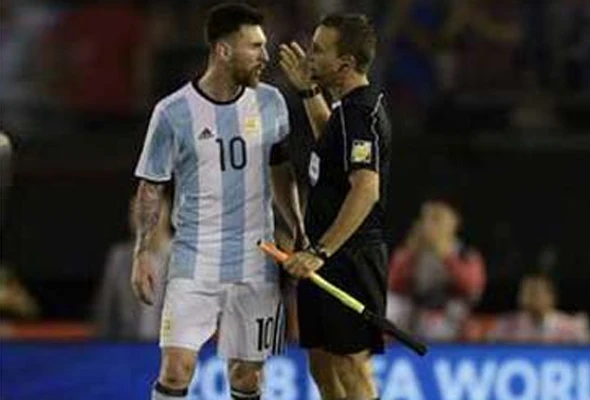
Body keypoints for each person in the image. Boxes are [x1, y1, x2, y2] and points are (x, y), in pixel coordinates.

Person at [130, 4, 305, 400]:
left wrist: (297, 228)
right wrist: (142, 252)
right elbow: (151, 186)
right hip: (194, 258)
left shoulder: (272, 102)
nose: (265, 56)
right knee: (176, 370)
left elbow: (281, 170)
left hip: (258, 260)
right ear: (223, 51)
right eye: (254, 47)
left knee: (247, 378)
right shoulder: (172, 112)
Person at [278, 13, 390, 399]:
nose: (309, 56)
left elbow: (366, 189)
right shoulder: (345, 110)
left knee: (349, 364)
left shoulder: (361, 113)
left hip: (349, 257)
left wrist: (320, 252)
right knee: (322, 363)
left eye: (318, 50)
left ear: (344, 64)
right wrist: (309, 92)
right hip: (324, 255)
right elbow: (332, 141)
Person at [386, 200, 486, 342]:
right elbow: (393, 285)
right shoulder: (412, 250)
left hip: (449, 311)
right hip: (417, 309)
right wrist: (411, 253)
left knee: (444, 324)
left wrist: (446, 256)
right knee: (389, 305)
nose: (431, 225)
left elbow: (473, 290)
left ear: (453, 223)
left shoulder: (464, 253)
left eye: (437, 219)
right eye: (427, 219)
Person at [94, 195, 171, 341]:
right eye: (137, 213)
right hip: (127, 347)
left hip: (171, 348)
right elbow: (105, 311)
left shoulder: (182, 257)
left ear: (165, 216)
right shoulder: (119, 257)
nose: (143, 220)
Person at [487, 272, 590, 344]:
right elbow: (491, 346)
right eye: (524, 292)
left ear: (551, 297)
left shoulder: (570, 327)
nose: (526, 298)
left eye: (534, 293)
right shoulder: (508, 325)